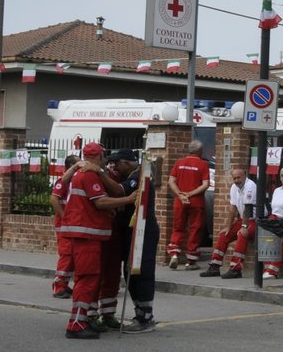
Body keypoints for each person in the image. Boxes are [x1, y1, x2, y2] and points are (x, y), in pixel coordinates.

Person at [58, 143, 137, 338]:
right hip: (86, 235)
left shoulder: (85, 173)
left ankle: (83, 319)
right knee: (87, 279)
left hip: (88, 234)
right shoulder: (89, 175)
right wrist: (128, 200)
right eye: (104, 155)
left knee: (91, 278)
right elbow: (100, 202)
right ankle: (76, 323)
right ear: (100, 156)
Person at [105, 148, 159, 331]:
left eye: (117, 163)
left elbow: (121, 191)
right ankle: (139, 312)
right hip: (130, 230)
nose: (115, 167)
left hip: (143, 230)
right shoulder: (131, 175)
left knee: (141, 272)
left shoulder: (139, 176)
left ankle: (145, 316)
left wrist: (98, 173)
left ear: (127, 163)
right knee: (130, 272)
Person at [200, 167, 256, 278]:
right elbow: (232, 208)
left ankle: (236, 269)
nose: (236, 180)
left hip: (255, 220)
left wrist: (244, 227)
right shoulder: (234, 187)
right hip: (242, 219)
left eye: (239, 177)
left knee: (242, 234)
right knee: (223, 235)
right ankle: (214, 267)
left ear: (245, 176)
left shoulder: (251, 186)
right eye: (234, 178)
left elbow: (247, 209)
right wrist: (228, 227)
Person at [166, 139, 210, 270]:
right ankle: (190, 261)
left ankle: (174, 254)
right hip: (196, 202)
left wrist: (180, 195)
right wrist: (190, 195)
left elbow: (171, 181)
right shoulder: (202, 164)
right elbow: (205, 184)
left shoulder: (179, 163)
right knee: (195, 228)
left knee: (178, 228)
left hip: (180, 202)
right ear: (200, 151)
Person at [48, 153, 80, 298]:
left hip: (70, 226)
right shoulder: (63, 182)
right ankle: (58, 286)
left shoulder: (75, 181)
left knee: (72, 256)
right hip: (64, 227)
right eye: (76, 164)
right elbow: (54, 200)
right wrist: (64, 218)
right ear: (70, 167)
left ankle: (64, 284)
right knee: (66, 256)